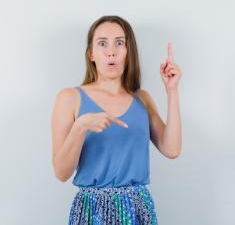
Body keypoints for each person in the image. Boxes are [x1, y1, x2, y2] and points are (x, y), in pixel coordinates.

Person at [51, 15, 182, 224]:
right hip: (91, 212)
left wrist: (172, 91)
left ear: (128, 52)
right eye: (102, 43)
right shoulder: (70, 98)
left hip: (138, 210)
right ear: (91, 53)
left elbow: (172, 149)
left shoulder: (142, 99)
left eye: (119, 43)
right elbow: (61, 172)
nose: (111, 51)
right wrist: (81, 126)